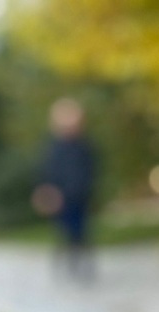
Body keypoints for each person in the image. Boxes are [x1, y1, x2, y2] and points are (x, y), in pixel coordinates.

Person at [34, 98, 97, 279]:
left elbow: (90, 170)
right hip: (61, 198)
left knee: (81, 232)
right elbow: (47, 173)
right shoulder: (54, 148)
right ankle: (67, 264)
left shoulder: (83, 146)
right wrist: (48, 193)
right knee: (63, 232)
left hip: (80, 197)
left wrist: (86, 189)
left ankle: (80, 264)